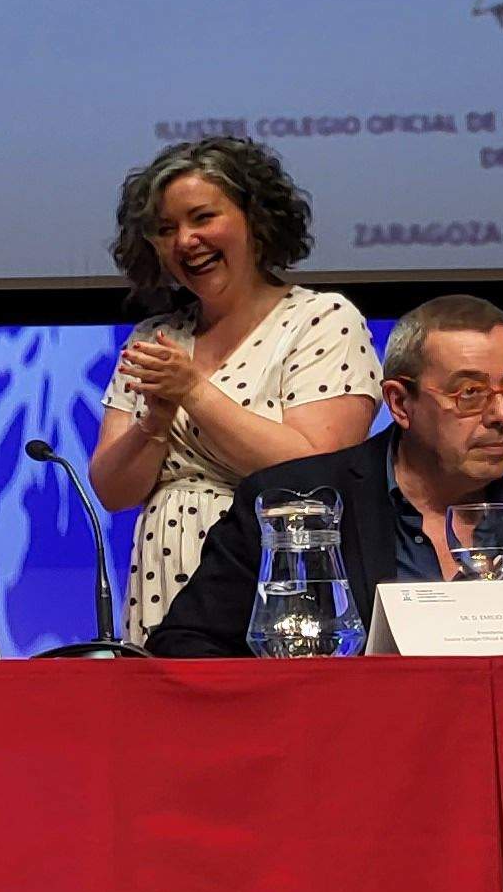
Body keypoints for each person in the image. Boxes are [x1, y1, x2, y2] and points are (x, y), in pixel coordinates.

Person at [148, 294, 503, 656]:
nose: (502, 415)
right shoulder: (289, 504)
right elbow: (186, 647)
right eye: (470, 393)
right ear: (400, 403)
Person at [88, 137, 379, 635]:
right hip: (162, 581)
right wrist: (155, 422)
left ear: (256, 221)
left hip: (274, 581)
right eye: (165, 229)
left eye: (202, 218)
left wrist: (194, 392)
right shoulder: (155, 337)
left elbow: (317, 477)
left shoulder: (321, 320)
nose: (184, 241)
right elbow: (113, 492)